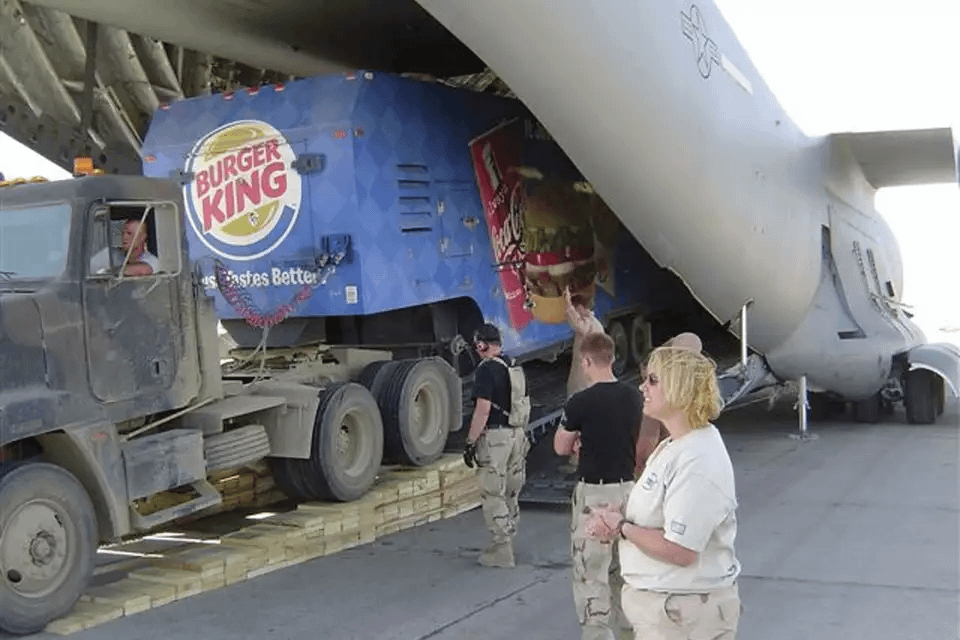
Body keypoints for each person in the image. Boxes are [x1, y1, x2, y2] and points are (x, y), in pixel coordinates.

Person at [586, 346, 742, 640]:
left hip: (683, 618)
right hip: (669, 615)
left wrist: (621, 528)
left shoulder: (698, 459)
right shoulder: (675, 445)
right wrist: (617, 518)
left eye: (653, 380)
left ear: (679, 389)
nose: (643, 387)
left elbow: (681, 551)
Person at [553, 331, 644, 640]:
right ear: (613, 359)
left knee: (591, 573)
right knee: (625, 570)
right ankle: (630, 632)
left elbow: (560, 447)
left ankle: (597, 634)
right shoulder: (634, 396)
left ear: (586, 361)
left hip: (594, 493)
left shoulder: (580, 402)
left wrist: (580, 439)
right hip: (628, 491)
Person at [462, 322, 529, 568]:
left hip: (496, 439)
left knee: (493, 493)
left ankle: (501, 550)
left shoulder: (486, 370)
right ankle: (509, 541)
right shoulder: (514, 366)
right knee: (511, 492)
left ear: (481, 345)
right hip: (517, 436)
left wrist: (470, 441)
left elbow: (483, 409)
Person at [634, 332, 703, 477]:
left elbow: (645, 452)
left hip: (665, 472)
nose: (644, 386)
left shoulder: (656, 403)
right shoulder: (692, 396)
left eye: (650, 379)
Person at [90, 219, 158, 277]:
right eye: (123, 233)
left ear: (142, 237)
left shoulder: (152, 260)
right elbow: (90, 266)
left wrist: (107, 272)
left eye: (129, 233)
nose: (124, 237)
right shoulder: (113, 254)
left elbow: (143, 270)